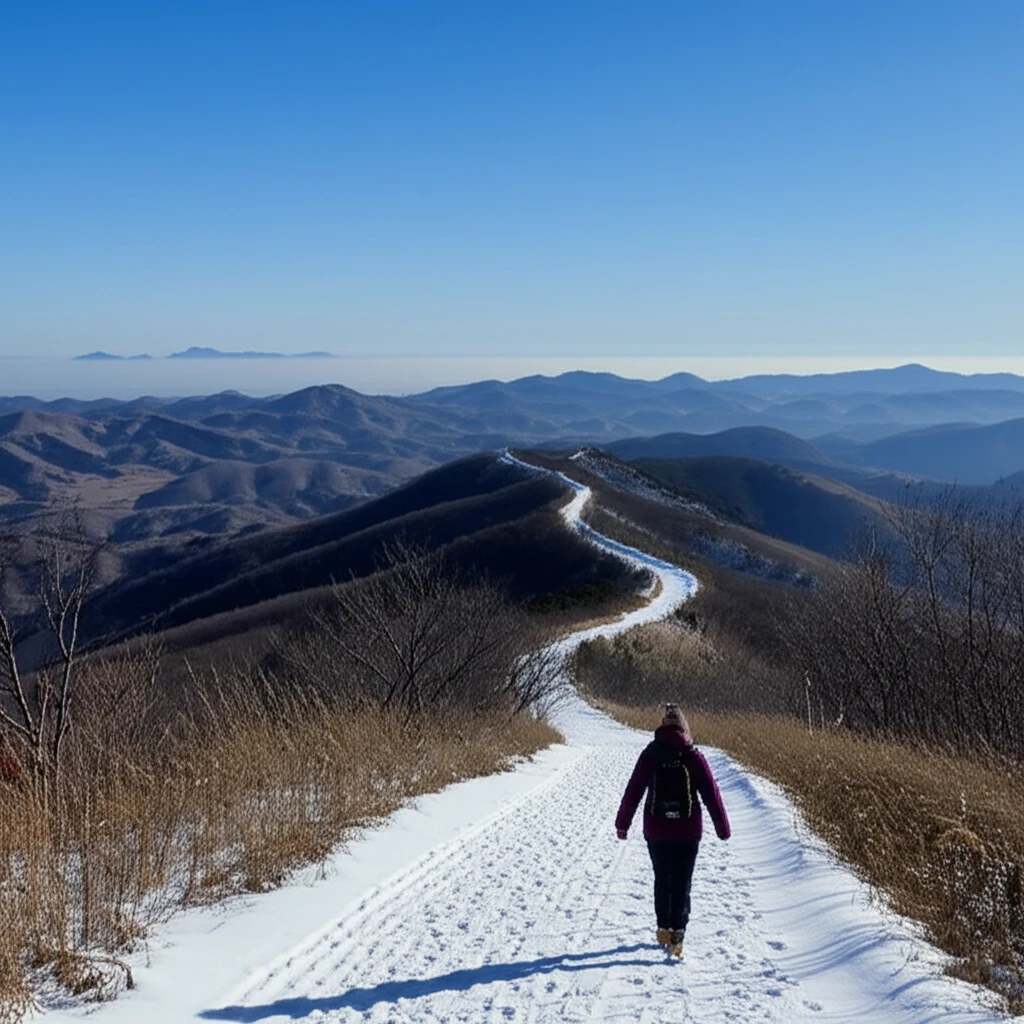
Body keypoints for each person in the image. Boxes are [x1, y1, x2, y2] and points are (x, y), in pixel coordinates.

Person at [615, 703, 730, 957]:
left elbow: (633, 790)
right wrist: (722, 827)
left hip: (656, 829)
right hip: (688, 831)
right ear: (684, 725)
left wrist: (623, 824)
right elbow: (712, 793)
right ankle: (678, 935)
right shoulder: (693, 756)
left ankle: (663, 929)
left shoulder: (651, 754)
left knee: (662, 879)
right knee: (682, 882)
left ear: (663, 724)